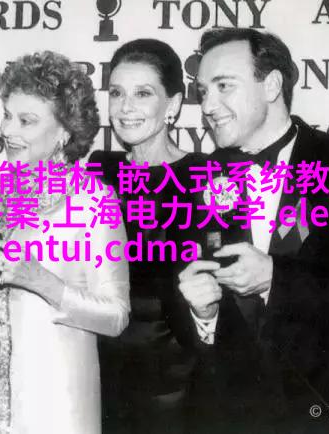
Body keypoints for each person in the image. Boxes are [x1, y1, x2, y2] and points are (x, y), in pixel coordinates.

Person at [177, 28, 329, 433]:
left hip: (321, 413)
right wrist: (203, 316)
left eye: (224, 86)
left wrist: (276, 278)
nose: (207, 105)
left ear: (272, 85)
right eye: (202, 91)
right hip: (224, 415)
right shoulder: (198, 177)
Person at [0, 51, 130, 434]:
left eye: (26, 120)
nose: (7, 130)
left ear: (64, 131)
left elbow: (116, 316)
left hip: (54, 402)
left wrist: (42, 281)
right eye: (7, 115)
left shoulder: (93, 201)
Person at [89, 38, 206, 434]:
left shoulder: (205, 175)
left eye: (142, 93)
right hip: (99, 368)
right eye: (116, 93)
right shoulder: (99, 170)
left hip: (175, 380)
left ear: (173, 105)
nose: (125, 107)